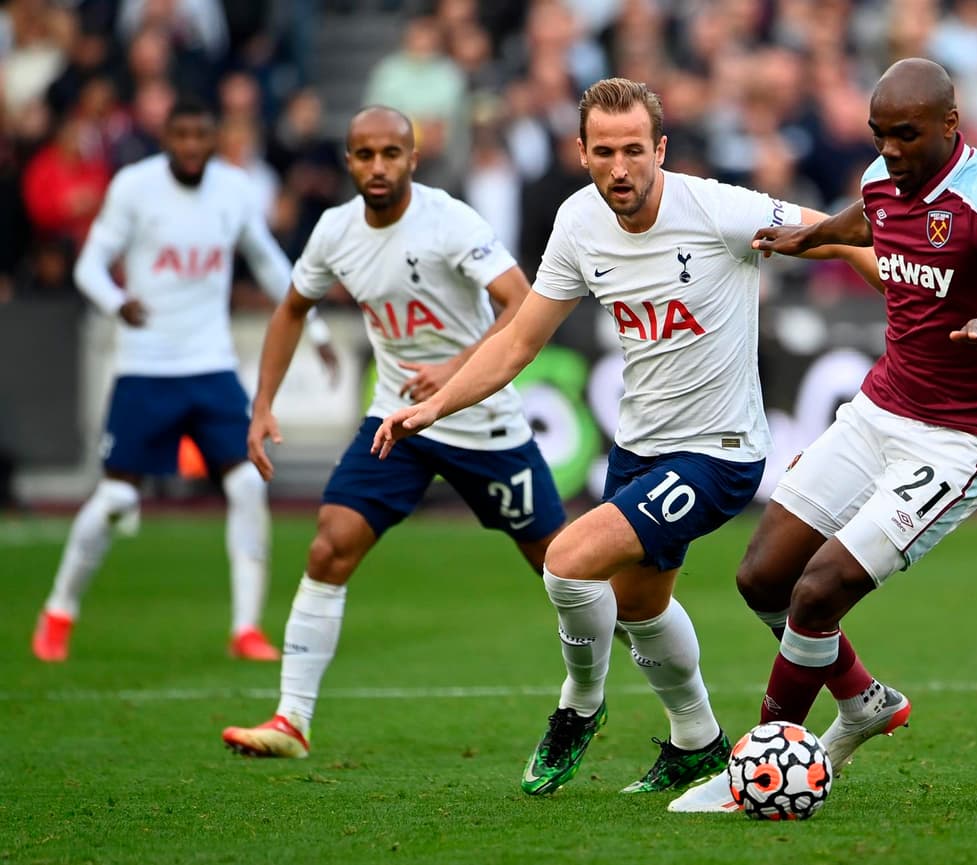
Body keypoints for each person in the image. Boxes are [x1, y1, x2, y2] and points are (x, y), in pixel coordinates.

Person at [371, 78, 874, 797]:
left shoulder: (717, 208)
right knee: (639, 606)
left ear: (659, 150)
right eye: (604, 151)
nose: (620, 166)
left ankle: (578, 705)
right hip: (639, 447)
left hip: (719, 450)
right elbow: (517, 342)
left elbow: (836, 231)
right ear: (582, 153)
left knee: (570, 560)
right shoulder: (578, 224)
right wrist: (437, 404)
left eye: (634, 149)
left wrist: (903, 294)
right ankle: (697, 740)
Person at [669, 58, 977, 813]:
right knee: (762, 578)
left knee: (819, 589)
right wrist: (798, 238)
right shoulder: (881, 178)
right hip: (881, 408)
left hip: (964, 438)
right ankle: (864, 700)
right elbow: (860, 219)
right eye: (879, 136)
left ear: (949, 125)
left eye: (906, 135)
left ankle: (760, 765)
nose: (891, 150)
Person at [220, 106, 566, 759]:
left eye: (390, 153)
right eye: (364, 154)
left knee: (566, 573)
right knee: (330, 545)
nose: (377, 166)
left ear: (412, 157)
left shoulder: (452, 220)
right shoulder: (334, 231)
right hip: (398, 420)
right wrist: (262, 404)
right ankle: (292, 719)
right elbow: (292, 307)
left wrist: (455, 369)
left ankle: (665, 704)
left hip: (482, 416)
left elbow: (522, 302)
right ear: (348, 161)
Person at [31, 96, 338, 663]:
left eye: (202, 135)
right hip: (146, 367)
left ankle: (245, 629)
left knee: (247, 485)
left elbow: (271, 263)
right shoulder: (134, 187)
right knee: (118, 497)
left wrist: (315, 330)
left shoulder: (233, 189)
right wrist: (116, 302)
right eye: (182, 136)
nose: (192, 146)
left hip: (210, 365)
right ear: (166, 138)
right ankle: (59, 610)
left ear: (214, 138)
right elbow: (88, 265)